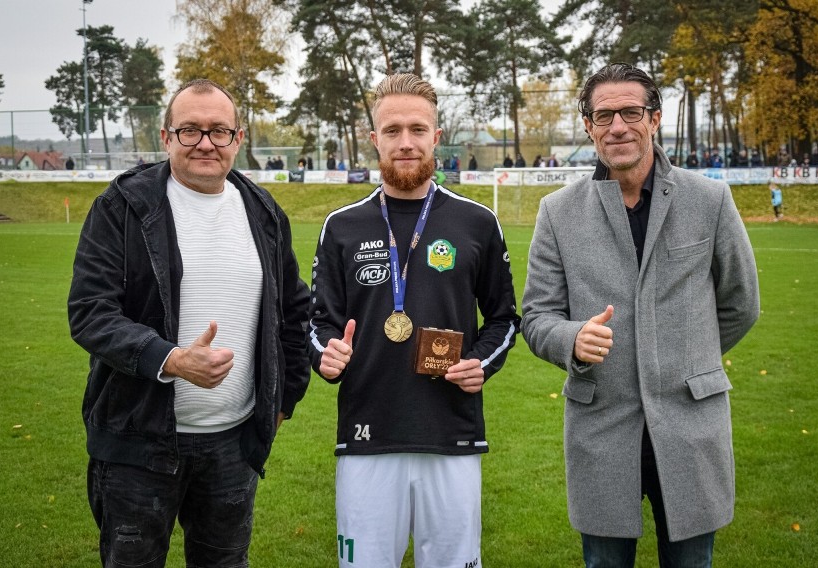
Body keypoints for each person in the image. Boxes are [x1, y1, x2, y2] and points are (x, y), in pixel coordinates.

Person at [521, 63, 760, 568]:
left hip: (692, 424)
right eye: (603, 115)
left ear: (654, 119)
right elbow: (537, 316)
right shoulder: (557, 212)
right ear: (588, 127)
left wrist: (690, 356)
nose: (617, 127)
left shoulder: (710, 199)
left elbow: (741, 304)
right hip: (602, 428)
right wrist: (571, 340)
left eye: (631, 112)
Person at [67, 78, 311, 567]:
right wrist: (171, 359)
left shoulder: (263, 212)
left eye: (219, 131)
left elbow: (293, 310)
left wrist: (286, 396)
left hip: (233, 445)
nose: (205, 143)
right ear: (166, 137)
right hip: (139, 443)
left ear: (238, 139)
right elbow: (90, 311)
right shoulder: (123, 206)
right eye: (190, 131)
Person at [307, 73, 520, 568]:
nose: (406, 142)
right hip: (367, 436)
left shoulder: (477, 222)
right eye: (393, 130)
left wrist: (479, 364)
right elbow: (317, 323)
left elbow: (505, 318)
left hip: (452, 436)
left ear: (436, 138)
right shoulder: (341, 226)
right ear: (373, 137)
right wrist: (327, 352)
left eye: (418, 130)